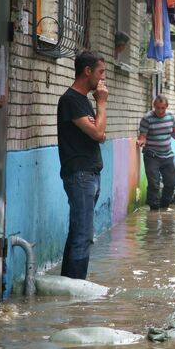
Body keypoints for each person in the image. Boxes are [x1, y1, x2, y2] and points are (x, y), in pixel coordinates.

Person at [57, 50, 108, 280]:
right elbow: (98, 132)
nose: (102, 78)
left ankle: (68, 284)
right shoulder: (71, 101)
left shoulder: (83, 101)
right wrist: (102, 104)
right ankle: (76, 290)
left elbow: (99, 132)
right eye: (100, 72)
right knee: (83, 235)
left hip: (90, 174)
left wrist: (97, 128)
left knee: (79, 232)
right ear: (87, 71)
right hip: (80, 176)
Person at [137, 95, 175, 210]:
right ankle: (154, 209)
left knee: (170, 183)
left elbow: (173, 132)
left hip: (168, 156)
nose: (160, 111)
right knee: (154, 185)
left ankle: (164, 207)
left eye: (163, 108)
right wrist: (141, 141)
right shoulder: (147, 119)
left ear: (166, 107)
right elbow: (143, 136)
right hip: (152, 156)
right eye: (158, 108)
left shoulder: (170, 117)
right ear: (154, 106)